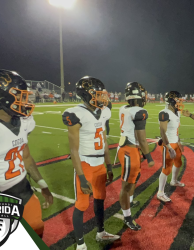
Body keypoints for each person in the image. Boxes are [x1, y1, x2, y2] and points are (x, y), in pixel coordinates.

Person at [62, 76, 119, 250]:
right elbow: (73, 151)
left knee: (100, 198)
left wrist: (109, 166)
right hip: (85, 164)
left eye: (103, 94)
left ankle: (101, 233)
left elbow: (104, 140)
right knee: (81, 204)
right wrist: (81, 176)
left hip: (100, 163)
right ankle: (80, 245)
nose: (103, 98)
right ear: (87, 94)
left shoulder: (104, 111)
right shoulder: (75, 114)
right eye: (99, 94)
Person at [0, 70, 53, 237]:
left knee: (36, 230)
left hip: (23, 188)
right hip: (3, 195)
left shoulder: (23, 121)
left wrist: (43, 185)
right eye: (20, 96)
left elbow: (26, 157)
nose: (25, 101)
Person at [117, 82, 154, 230]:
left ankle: (130, 202)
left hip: (128, 148)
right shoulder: (139, 112)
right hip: (128, 151)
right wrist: (149, 156)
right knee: (126, 186)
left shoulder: (123, 108)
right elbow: (142, 138)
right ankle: (127, 217)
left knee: (134, 179)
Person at [157, 91, 185, 202]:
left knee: (178, 162)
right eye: (178, 99)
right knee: (166, 168)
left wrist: (179, 142)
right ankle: (160, 192)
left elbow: (176, 131)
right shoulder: (164, 113)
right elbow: (162, 132)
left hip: (175, 142)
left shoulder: (176, 113)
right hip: (167, 144)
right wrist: (168, 146)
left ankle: (174, 181)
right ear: (172, 100)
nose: (180, 102)